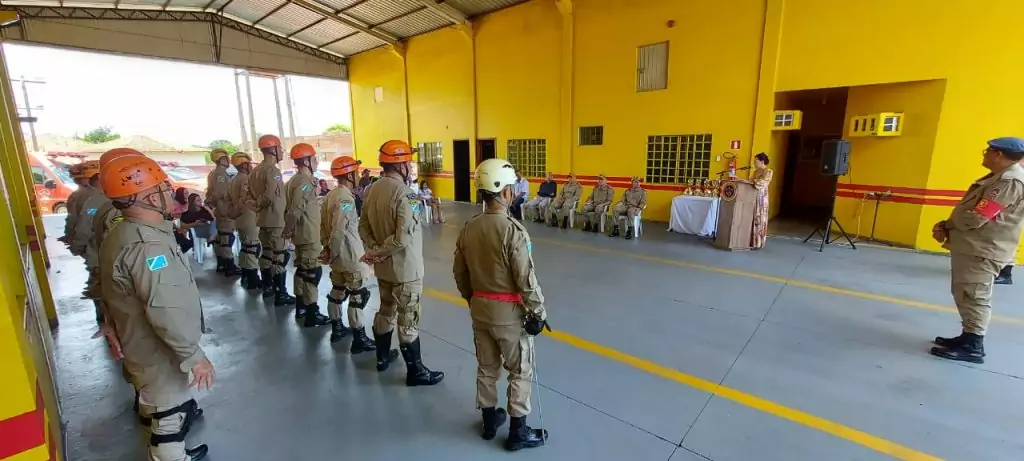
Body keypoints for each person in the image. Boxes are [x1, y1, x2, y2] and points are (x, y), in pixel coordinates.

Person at [98, 154, 213, 461]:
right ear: (148, 197)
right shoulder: (148, 247)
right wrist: (193, 355)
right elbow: (165, 308)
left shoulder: (124, 232)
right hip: (157, 350)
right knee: (169, 416)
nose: (170, 194)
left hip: (140, 342)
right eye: (164, 188)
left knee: (161, 408)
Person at [454, 158, 549, 451]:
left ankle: (489, 420)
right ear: (505, 192)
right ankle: (518, 431)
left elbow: (460, 271)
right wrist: (539, 311)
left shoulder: (469, 227)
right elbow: (525, 278)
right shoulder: (513, 230)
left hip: (480, 308)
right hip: (508, 313)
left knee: (487, 366)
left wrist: (473, 298)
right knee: (520, 369)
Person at [930, 137, 1024, 364]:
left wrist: (947, 225)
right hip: (975, 247)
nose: (984, 155)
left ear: (998, 154)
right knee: (965, 293)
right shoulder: (1000, 178)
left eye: (988, 151)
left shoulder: (1009, 182)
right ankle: (967, 336)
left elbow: (978, 216)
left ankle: (974, 346)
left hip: (983, 249)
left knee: (975, 295)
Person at [359, 139, 444, 386]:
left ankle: (382, 357)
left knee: (385, 309)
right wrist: (383, 251)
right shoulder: (406, 194)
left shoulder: (371, 189)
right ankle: (415, 372)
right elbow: (403, 236)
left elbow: (363, 225)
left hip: (383, 269)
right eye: (409, 162)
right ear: (401, 164)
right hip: (406, 269)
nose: (411, 166)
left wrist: (374, 252)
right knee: (408, 317)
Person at [320, 156, 380, 351]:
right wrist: (334, 252)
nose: (357, 174)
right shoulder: (345, 198)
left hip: (336, 255)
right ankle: (359, 339)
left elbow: (323, 227)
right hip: (349, 255)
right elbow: (339, 230)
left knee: (337, 291)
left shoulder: (330, 195)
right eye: (354, 171)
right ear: (349, 175)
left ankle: (337, 328)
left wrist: (327, 249)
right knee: (358, 295)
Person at [285, 143, 330, 326]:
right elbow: (296, 208)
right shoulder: (304, 183)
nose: (316, 161)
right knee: (313, 272)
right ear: (306, 161)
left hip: (302, 234)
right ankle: (312, 313)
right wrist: (287, 229)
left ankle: (301, 306)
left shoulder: (294, 181)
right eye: (314, 158)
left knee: (303, 271)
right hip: (308, 234)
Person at [248, 134, 296, 306]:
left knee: (267, 253)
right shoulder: (273, 171)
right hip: (276, 219)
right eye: (280, 148)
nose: (282, 152)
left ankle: (268, 286)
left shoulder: (255, 171)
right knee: (280, 256)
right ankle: (280, 293)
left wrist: (258, 207)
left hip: (263, 221)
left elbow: (250, 196)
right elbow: (269, 194)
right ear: (273, 149)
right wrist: (262, 204)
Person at [68, 160, 106, 320]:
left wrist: (77, 246)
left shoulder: (86, 196)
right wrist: (79, 246)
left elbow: (74, 223)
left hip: (100, 255)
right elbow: (83, 227)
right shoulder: (95, 200)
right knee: (104, 295)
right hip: (100, 256)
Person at [228, 152, 262, 290]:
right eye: (249, 164)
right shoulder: (245, 180)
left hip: (241, 218)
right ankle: (252, 279)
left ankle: (246, 276)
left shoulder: (234, 179)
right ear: (244, 165)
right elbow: (248, 198)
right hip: (249, 217)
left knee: (246, 247)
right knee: (252, 248)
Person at [205, 148, 240, 276]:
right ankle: (229, 265)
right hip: (225, 209)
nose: (228, 160)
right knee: (226, 238)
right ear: (221, 160)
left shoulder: (214, 173)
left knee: (222, 238)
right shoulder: (220, 175)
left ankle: (222, 263)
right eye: (226, 158)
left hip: (220, 209)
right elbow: (220, 193)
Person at [748, 153, 775, 249]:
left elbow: (762, 183)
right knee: (752, 218)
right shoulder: (756, 172)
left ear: (762, 162)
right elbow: (749, 181)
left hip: (761, 198)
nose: (754, 163)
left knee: (759, 219)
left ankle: (758, 243)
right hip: (752, 197)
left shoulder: (768, 171)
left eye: (756, 161)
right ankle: (750, 241)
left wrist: (752, 181)